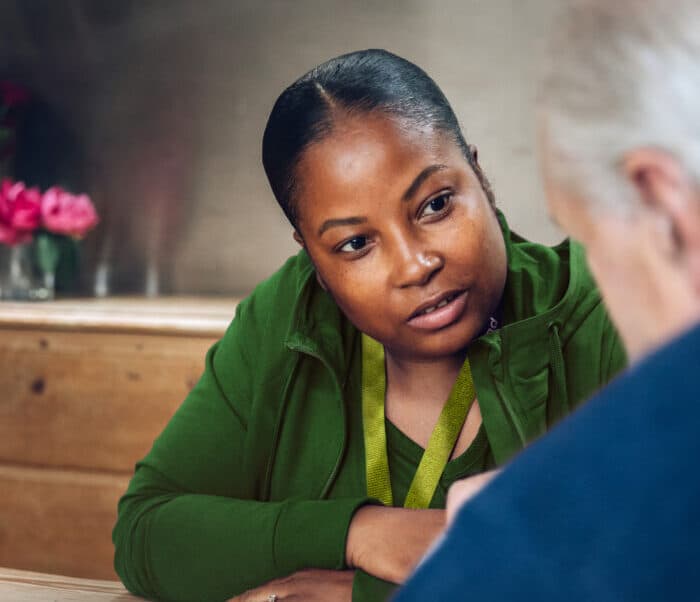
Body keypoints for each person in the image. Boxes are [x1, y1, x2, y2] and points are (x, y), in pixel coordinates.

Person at [112, 49, 625, 602]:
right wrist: (362, 533)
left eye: (435, 205)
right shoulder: (285, 316)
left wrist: (363, 594)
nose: (415, 265)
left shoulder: (609, 311)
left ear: (480, 177)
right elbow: (146, 533)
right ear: (313, 257)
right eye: (355, 244)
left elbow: (658, 567)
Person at [395, 0, 700, 599]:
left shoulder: (524, 545)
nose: (416, 264)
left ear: (664, 208)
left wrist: (527, 522)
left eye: (588, 236)